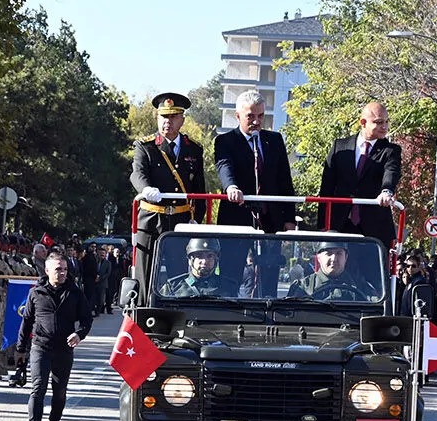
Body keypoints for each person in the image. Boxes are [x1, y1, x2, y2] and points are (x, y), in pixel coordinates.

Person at [214, 89, 296, 297]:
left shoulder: (274, 140)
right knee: (231, 274)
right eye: (250, 116)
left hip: (270, 220)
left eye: (260, 116)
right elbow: (224, 166)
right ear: (238, 116)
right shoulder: (225, 141)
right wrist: (231, 187)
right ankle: (229, 318)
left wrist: (289, 218)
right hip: (237, 217)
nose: (256, 121)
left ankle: (267, 320)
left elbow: (284, 180)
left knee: (268, 278)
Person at [17, 250, 92, 421]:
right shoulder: (36, 292)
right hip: (41, 347)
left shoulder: (75, 292)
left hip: (64, 349)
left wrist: (79, 334)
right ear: (47, 270)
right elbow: (26, 321)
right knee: (38, 388)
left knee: (59, 392)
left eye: (65, 269)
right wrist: (20, 348)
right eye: (58, 269)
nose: (62, 273)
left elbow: (86, 318)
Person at [318, 101, 402, 247]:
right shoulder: (340, 146)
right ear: (363, 122)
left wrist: (387, 191)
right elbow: (327, 187)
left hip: (374, 227)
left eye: (387, 122)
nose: (385, 127)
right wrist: (322, 223)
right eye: (379, 122)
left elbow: (391, 172)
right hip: (340, 224)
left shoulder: (391, 150)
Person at [131, 92, 207, 221]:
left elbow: (199, 189)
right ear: (157, 118)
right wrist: (146, 188)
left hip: (181, 219)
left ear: (182, 120)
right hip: (152, 219)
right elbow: (138, 173)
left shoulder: (194, 149)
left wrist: (197, 220)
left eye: (173, 116)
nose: (167, 121)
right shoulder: (145, 146)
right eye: (164, 116)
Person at [288, 240, 376, 300]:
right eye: (328, 253)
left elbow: (375, 312)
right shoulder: (303, 287)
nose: (334, 259)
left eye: (339, 253)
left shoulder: (361, 287)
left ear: (346, 257)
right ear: (318, 257)